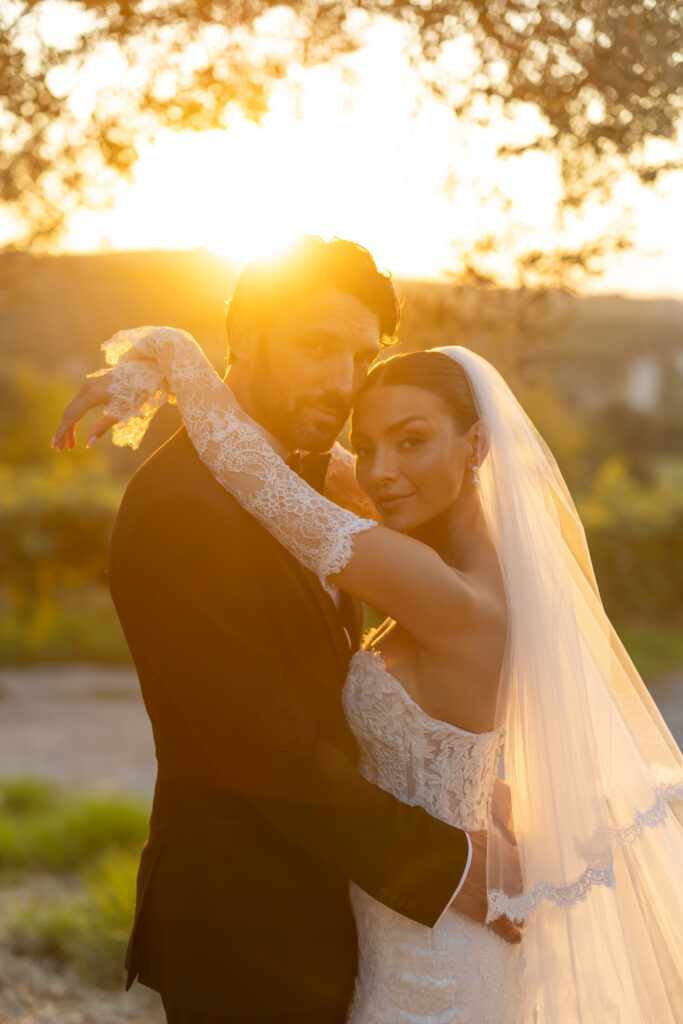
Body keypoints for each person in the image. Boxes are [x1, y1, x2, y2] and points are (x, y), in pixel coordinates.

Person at [54, 308, 683, 1023]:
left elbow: (266, 480)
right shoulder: (456, 562)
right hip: (392, 933)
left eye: (412, 442)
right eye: (369, 444)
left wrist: (172, 353)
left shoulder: (443, 591)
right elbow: (345, 474)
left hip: (438, 957)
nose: (382, 472)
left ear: (476, 445)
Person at [52, 238, 522, 1024]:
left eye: (361, 355)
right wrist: (448, 866)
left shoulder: (306, 480)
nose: (341, 382)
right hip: (244, 921)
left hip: (344, 914)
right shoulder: (183, 508)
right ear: (244, 339)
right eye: (315, 347)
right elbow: (265, 743)